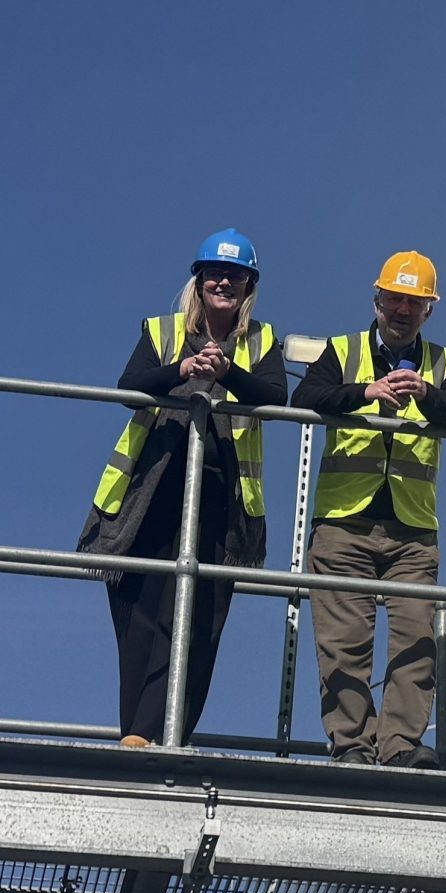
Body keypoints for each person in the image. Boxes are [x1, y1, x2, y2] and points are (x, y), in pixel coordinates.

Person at [79, 227, 286, 748]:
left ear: (248, 287)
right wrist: (183, 368)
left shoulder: (260, 341)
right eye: (214, 273)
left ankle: (165, 733)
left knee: (199, 619)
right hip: (150, 491)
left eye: (235, 275)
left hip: (220, 500)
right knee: (139, 608)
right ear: (197, 281)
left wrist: (227, 372)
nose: (224, 282)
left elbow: (276, 395)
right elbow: (130, 389)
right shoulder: (163, 330)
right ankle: (139, 732)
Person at [291, 250, 446, 768]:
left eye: (413, 303)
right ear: (376, 301)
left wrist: (425, 392)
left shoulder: (442, 364)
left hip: (413, 529)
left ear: (429, 312)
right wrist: (365, 393)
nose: (402, 310)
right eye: (394, 299)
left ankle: (400, 748)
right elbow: (308, 395)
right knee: (343, 642)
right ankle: (352, 745)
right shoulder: (342, 350)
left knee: (417, 641)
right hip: (344, 522)